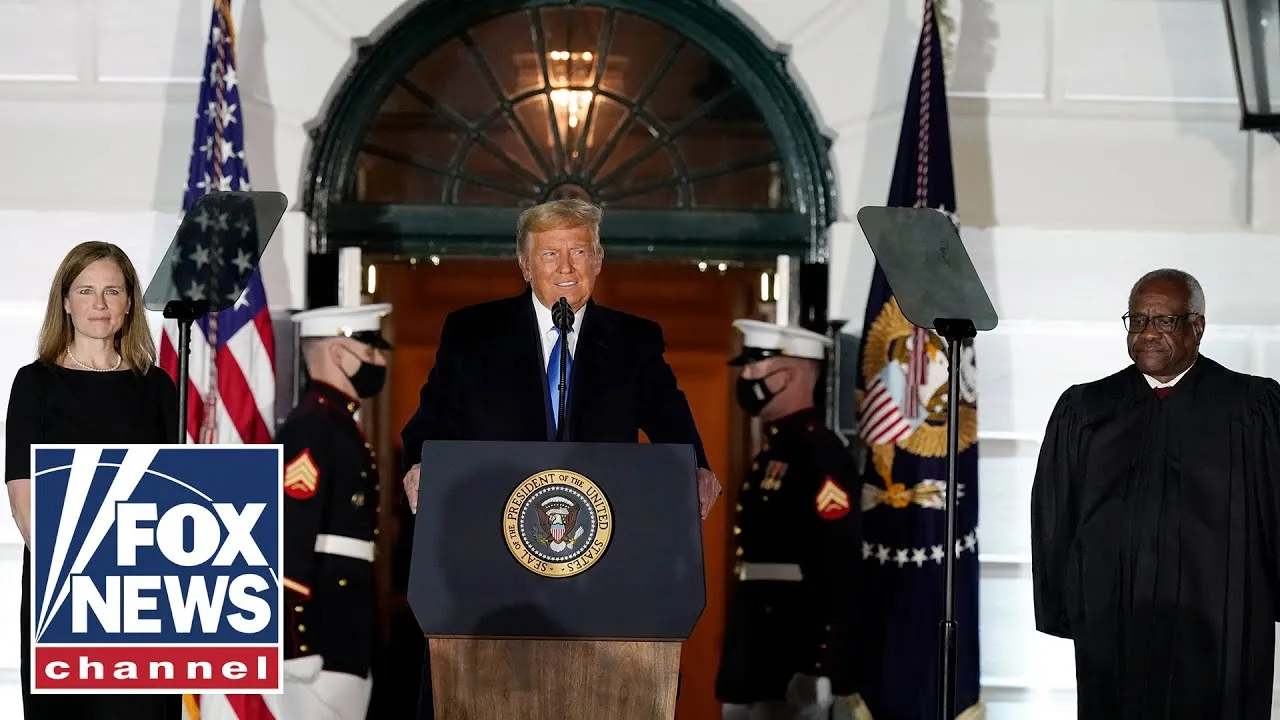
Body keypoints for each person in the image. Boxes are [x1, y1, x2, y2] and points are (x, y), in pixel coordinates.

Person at [398, 198, 722, 719]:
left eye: (579, 252)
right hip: (492, 562)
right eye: (550, 255)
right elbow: (430, 421)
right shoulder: (473, 332)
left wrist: (699, 467)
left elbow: (670, 417)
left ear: (599, 259)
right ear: (525, 264)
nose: (566, 268)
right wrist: (419, 464)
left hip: (601, 570)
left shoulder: (634, 340)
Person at [1031, 268, 1280, 720]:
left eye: (1163, 322)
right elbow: (1054, 514)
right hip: (1114, 616)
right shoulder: (1085, 408)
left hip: (1219, 619)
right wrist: (1064, 606)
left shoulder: (1250, 406)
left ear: (1197, 327)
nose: (1146, 333)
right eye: (1137, 320)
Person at [4, 241, 181, 719]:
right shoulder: (34, 384)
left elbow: (182, 498)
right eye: (86, 291)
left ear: (129, 302)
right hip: (65, 595)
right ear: (65, 301)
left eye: (112, 291)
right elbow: (24, 500)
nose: (99, 305)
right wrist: (88, 582)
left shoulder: (159, 387)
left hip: (146, 598)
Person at [716, 319, 865, 720]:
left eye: (755, 366)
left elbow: (841, 563)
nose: (746, 378)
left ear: (791, 374)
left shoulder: (820, 456)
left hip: (793, 648)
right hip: (756, 650)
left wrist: (823, 664)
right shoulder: (775, 450)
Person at [277, 303, 393, 720]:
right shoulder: (312, 427)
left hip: (346, 622)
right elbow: (290, 536)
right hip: (322, 631)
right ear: (340, 353)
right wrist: (296, 643)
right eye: (372, 350)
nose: (379, 362)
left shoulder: (339, 424)